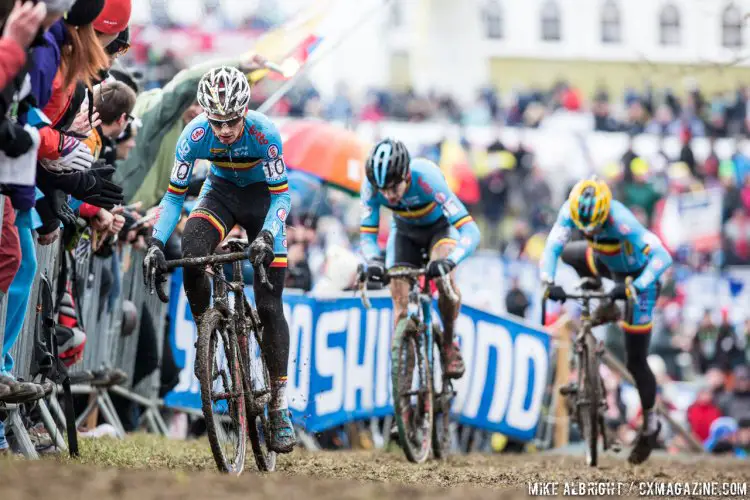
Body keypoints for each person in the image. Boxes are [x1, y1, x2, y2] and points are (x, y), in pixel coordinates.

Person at [142, 66, 294, 454]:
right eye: (216, 122)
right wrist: (157, 243)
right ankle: (206, 337)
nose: (224, 130)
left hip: (264, 201)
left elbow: (282, 198)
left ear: (245, 111)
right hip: (221, 194)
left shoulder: (265, 134)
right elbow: (174, 198)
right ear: (205, 116)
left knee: (269, 304)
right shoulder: (193, 136)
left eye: (231, 121)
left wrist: (265, 237)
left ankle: (279, 405)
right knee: (192, 251)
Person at [540, 176, 673, 465]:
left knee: (635, 361)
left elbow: (663, 257)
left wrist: (633, 288)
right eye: (586, 227)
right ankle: (604, 299)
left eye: (598, 225)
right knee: (570, 252)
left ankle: (650, 427)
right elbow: (551, 248)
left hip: (640, 279)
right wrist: (548, 282)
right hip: (606, 264)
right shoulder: (569, 210)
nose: (592, 230)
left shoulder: (623, 220)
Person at [359, 138, 481, 379]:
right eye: (382, 190)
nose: (388, 196)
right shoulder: (371, 187)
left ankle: (448, 342)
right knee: (398, 297)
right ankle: (404, 364)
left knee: (445, 281)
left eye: (393, 188)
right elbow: (367, 236)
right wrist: (374, 259)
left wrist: (451, 260)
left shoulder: (427, 178)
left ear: (406, 177)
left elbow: (471, 231)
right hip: (404, 234)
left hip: (439, 231)